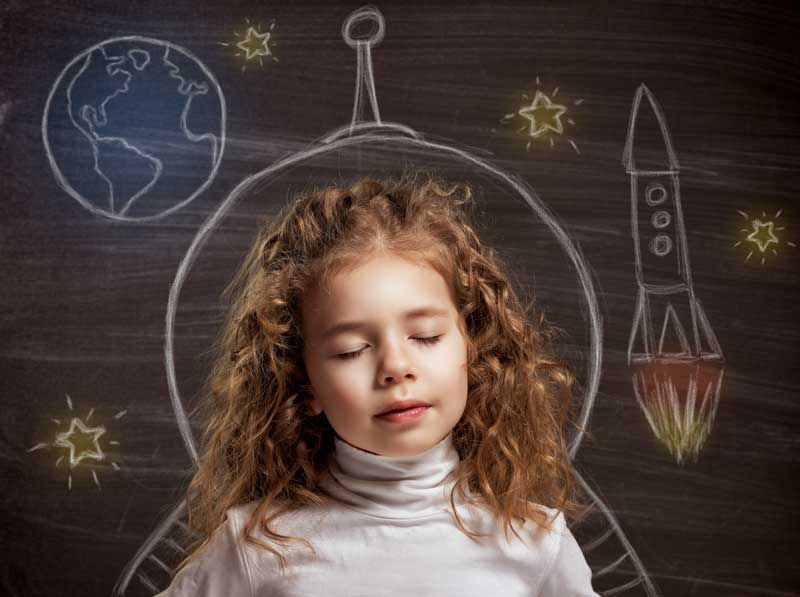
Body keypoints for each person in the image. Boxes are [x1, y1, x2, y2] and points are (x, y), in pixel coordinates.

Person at [156, 171, 599, 596]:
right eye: (351, 350)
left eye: (426, 336)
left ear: (473, 350)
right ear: (305, 384)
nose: (395, 367)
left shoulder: (537, 545)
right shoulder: (259, 548)